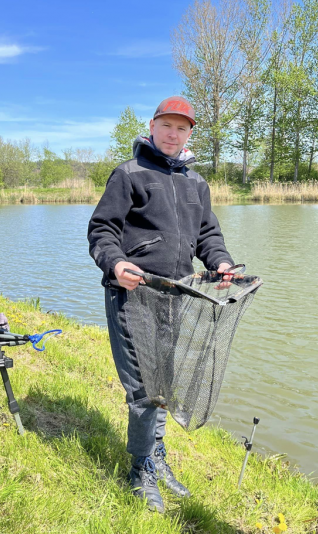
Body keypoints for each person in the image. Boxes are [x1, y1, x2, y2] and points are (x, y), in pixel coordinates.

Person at [87, 96, 235, 512]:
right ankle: (139, 468)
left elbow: (208, 235)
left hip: (176, 295)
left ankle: (157, 456)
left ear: (190, 134)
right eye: (166, 125)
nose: (173, 133)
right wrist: (115, 264)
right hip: (132, 293)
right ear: (152, 127)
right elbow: (102, 230)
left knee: (164, 385)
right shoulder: (129, 174)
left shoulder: (196, 183)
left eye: (182, 127)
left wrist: (220, 262)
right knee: (143, 389)